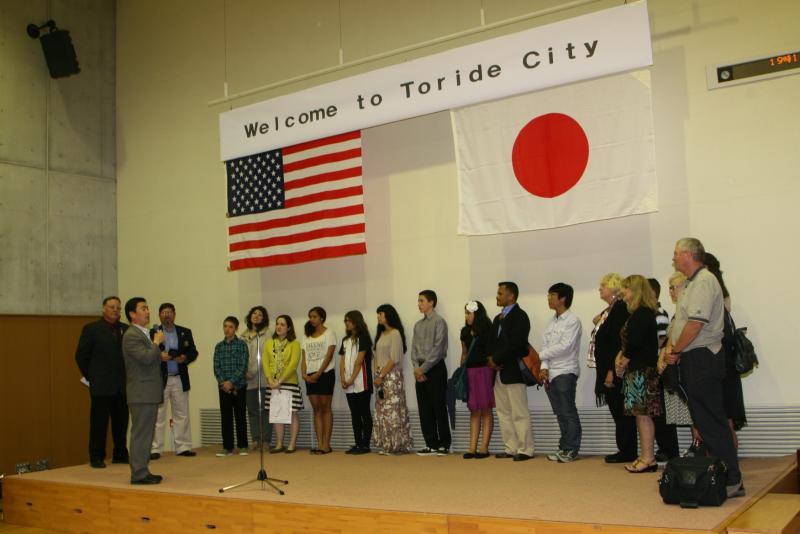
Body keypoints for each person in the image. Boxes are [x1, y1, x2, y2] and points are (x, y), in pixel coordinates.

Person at [664, 238, 744, 497]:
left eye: (676, 254)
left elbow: (695, 324)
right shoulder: (691, 283)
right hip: (693, 359)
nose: (673, 258)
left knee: (712, 422)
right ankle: (719, 473)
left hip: (703, 360)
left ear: (688, 254)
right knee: (704, 421)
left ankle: (733, 478)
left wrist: (675, 350)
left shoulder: (704, 280)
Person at [75, 296, 130, 468]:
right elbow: (81, 356)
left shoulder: (126, 329)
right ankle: (96, 456)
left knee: (121, 422)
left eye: (118, 308)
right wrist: (92, 377)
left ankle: (120, 453)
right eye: (112, 307)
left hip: (121, 385)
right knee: (99, 423)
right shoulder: (91, 329)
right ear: (103, 309)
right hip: (101, 385)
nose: (115, 310)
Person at [614, 275, 661, 473]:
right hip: (639, 370)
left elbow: (633, 344)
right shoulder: (640, 313)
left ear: (635, 290)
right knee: (641, 415)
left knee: (642, 415)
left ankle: (648, 458)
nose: (623, 293)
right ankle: (646, 456)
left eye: (626, 289)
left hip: (642, 371)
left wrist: (622, 362)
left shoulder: (642, 313)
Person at [587, 274, 635, 464]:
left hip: (614, 368)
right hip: (608, 366)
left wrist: (610, 371)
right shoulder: (611, 309)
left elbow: (617, 342)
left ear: (615, 288)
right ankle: (625, 448)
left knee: (621, 410)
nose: (600, 288)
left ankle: (627, 450)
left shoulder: (621, 308)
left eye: (603, 285)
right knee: (617, 410)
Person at [488, 282, 534, 462]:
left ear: (511, 296)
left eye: (500, 293)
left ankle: (526, 448)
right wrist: (491, 360)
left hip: (513, 370)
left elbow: (517, 344)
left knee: (519, 412)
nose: (497, 296)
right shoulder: (497, 318)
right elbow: (490, 343)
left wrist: (497, 359)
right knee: (503, 411)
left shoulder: (520, 316)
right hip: (498, 372)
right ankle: (511, 447)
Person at [122, 297, 165, 485]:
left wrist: (157, 352)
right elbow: (146, 359)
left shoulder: (143, 333)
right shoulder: (132, 335)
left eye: (148, 308)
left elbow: (148, 359)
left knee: (146, 434)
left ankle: (143, 469)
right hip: (141, 392)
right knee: (141, 434)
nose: (148, 311)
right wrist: (156, 343)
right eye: (143, 308)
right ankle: (138, 473)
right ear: (132, 314)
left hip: (148, 391)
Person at [705, 252, 747, 440]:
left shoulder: (714, 295)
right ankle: (727, 461)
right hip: (724, 360)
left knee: (722, 417)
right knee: (725, 416)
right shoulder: (723, 294)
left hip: (719, 360)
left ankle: (727, 463)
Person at [540, 283, 583, 463]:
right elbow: (546, 345)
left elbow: (566, 347)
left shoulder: (572, 320)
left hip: (566, 371)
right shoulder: (551, 322)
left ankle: (571, 449)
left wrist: (540, 356)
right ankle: (564, 447)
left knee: (568, 412)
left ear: (563, 298)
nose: (549, 298)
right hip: (551, 373)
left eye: (552, 295)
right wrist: (543, 366)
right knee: (559, 413)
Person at [150, 303, 198, 459]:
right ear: (159, 315)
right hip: (160, 379)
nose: (167, 315)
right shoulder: (153, 333)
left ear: (174, 314)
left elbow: (193, 351)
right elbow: (147, 353)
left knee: (182, 414)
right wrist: (159, 356)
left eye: (169, 312)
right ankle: (155, 449)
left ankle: (183, 447)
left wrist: (185, 358)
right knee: (158, 414)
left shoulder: (184, 332)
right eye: (163, 312)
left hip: (179, 377)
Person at [409, 290, 451, 456]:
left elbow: (438, 349)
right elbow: (413, 351)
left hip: (435, 368)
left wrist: (422, 369)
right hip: (420, 370)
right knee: (424, 408)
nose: (419, 304)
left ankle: (444, 444)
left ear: (431, 302)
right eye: (418, 301)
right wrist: (416, 368)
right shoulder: (417, 325)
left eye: (422, 301)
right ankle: (430, 443)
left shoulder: (440, 322)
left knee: (438, 407)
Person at [373, 304, 414, 454]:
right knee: (383, 411)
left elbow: (394, 358)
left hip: (392, 377)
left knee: (393, 411)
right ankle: (387, 443)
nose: (378, 316)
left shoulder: (395, 333)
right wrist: (377, 374)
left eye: (381, 314)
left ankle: (396, 444)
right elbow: (376, 356)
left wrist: (382, 375)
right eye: (378, 314)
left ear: (388, 315)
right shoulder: (381, 334)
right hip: (381, 377)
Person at [648, 278, 680, 462]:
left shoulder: (660, 313)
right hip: (653, 366)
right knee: (655, 412)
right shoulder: (649, 313)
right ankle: (663, 447)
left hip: (657, 366)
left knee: (661, 412)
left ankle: (670, 449)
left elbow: (662, 340)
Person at [657, 272, 693, 431]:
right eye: (670, 288)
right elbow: (669, 339)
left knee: (695, 410)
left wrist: (670, 352)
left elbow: (681, 337)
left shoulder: (689, 309)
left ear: (687, 288)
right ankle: (696, 446)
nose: (671, 291)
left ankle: (702, 448)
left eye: (674, 287)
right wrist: (661, 357)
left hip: (688, 364)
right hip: (676, 365)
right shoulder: (677, 311)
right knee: (691, 411)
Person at [460, 300, 494, 459]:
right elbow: (464, 352)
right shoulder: (464, 332)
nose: (466, 316)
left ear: (477, 313)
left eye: (469, 313)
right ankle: (472, 448)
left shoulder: (487, 328)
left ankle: (484, 448)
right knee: (474, 411)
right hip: (470, 372)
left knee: (486, 409)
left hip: (485, 371)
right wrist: (462, 370)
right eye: (465, 313)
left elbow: (491, 351)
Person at [263, 315, 303, 453]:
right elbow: (265, 363)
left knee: (292, 413)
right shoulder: (269, 343)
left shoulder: (295, 344)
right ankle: (279, 443)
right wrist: (270, 380)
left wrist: (280, 381)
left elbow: (293, 365)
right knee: (276, 414)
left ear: (289, 328)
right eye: (277, 324)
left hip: (289, 383)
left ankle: (292, 443)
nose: (279, 327)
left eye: (282, 324)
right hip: (272, 384)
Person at [301, 306, 336, 455]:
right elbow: (304, 358)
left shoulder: (329, 333)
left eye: (314, 316)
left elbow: (329, 355)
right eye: (310, 316)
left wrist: (319, 373)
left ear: (322, 317)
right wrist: (304, 374)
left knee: (325, 407)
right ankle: (319, 443)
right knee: (316, 409)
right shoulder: (306, 336)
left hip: (325, 374)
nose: (312, 319)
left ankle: (326, 445)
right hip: (310, 375)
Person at [213, 316, 249, 457]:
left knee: (240, 416)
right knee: (226, 417)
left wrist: (232, 382)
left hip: (239, 386)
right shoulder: (219, 346)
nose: (227, 329)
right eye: (225, 326)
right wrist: (224, 382)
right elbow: (216, 367)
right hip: (223, 388)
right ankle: (227, 447)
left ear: (236, 329)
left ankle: (243, 446)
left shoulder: (241, 345)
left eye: (230, 327)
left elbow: (243, 366)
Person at [340, 310, 373, 454]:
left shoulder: (364, 337)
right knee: (354, 413)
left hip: (361, 382)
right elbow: (342, 361)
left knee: (364, 412)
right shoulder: (345, 340)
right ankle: (358, 442)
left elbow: (359, 361)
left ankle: (365, 444)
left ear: (356, 321)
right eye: (345, 321)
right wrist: (343, 378)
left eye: (349, 320)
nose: (347, 323)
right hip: (348, 382)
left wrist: (352, 379)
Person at [241, 306, 271, 450]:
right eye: (254, 313)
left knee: (265, 410)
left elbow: (265, 355)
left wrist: (252, 371)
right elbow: (240, 356)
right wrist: (244, 372)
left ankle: (265, 440)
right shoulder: (243, 335)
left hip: (263, 377)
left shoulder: (267, 334)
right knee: (252, 410)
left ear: (263, 318)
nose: (256, 316)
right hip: (247, 379)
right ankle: (255, 439)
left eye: (260, 314)